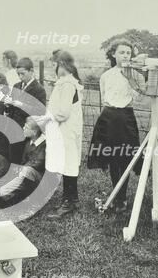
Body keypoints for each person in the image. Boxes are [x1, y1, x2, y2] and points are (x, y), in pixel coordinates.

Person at [86, 39, 142, 214]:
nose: (125, 55)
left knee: (125, 157)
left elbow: (139, 98)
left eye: (128, 52)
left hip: (126, 118)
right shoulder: (106, 76)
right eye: (121, 52)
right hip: (109, 118)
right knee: (112, 158)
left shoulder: (137, 75)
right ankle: (116, 194)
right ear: (113, 54)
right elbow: (105, 97)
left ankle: (122, 198)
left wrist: (131, 78)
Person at [35, 51, 84, 217]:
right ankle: (72, 199)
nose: (52, 67)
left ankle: (69, 203)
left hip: (67, 131)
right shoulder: (64, 83)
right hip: (64, 130)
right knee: (67, 163)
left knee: (68, 164)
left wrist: (46, 120)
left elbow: (63, 113)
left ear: (62, 64)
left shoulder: (68, 84)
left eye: (53, 64)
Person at [5, 57, 47, 163]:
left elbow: (41, 111)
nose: (20, 77)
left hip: (27, 131)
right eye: (18, 74)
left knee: (23, 158)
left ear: (31, 71)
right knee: (12, 157)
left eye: (22, 74)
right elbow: (11, 109)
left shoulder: (39, 90)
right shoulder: (16, 86)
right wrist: (8, 105)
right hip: (13, 128)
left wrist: (21, 105)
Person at [0, 117, 46, 205]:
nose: (23, 128)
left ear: (34, 132)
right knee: (3, 191)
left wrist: (22, 168)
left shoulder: (44, 145)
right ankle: (23, 200)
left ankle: (35, 200)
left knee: (27, 170)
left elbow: (39, 163)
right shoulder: (28, 142)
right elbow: (23, 160)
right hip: (25, 176)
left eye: (26, 127)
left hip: (39, 179)